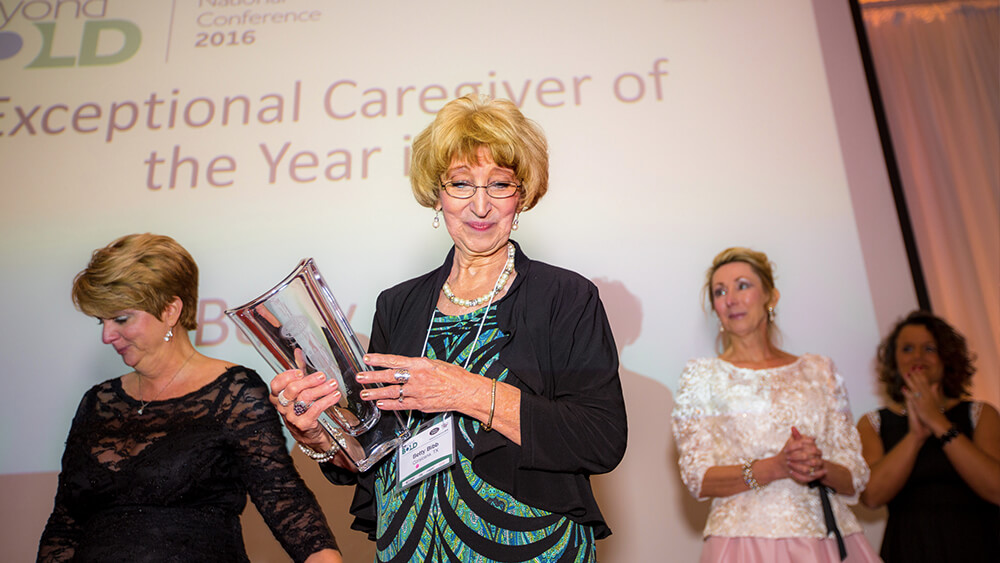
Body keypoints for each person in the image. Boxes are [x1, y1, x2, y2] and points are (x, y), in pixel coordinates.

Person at [269, 94, 628, 562]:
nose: (480, 205)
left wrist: (463, 391)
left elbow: (599, 439)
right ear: (437, 194)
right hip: (410, 545)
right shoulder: (397, 305)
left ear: (522, 196)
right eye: (461, 183)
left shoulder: (565, 296)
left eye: (499, 184)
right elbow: (374, 450)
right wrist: (319, 435)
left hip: (527, 546)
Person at [37, 233, 341, 563]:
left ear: (170, 310)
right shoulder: (97, 401)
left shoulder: (233, 391)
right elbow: (65, 525)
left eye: (121, 319)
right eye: (102, 321)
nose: (107, 335)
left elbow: (283, 499)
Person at [672, 247, 879, 562]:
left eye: (742, 285)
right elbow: (697, 478)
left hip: (823, 539)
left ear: (770, 295)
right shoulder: (701, 377)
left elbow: (855, 477)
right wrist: (775, 467)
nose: (731, 299)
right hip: (743, 543)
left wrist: (816, 465)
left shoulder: (820, 370)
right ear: (715, 308)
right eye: (719, 291)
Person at [857, 310, 1000, 562]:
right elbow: (871, 496)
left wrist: (938, 422)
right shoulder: (873, 424)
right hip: (909, 548)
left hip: (979, 544)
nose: (918, 357)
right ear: (894, 361)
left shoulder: (980, 414)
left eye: (929, 349)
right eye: (908, 349)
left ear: (947, 356)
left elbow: (996, 489)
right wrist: (915, 436)